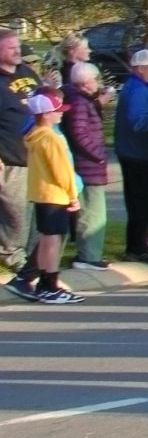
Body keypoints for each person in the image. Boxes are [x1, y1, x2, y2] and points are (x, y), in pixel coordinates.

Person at [3, 94, 83, 303]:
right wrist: (72, 195)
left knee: (47, 239)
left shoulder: (34, 136)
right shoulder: (50, 138)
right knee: (53, 242)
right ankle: (49, 284)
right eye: (57, 111)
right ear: (46, 114)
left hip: (41, 194)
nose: (60, 114)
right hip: (56, 195)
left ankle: (45, 283)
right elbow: (62, 170)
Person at [113, 46, 148, 263]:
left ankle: (138, 246)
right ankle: (137, 248)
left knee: (143, 203)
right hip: (139, 155)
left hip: (136, 153)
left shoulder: (138, 87)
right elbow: (138, 122)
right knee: (144, 203)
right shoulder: (138, 91)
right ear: (141, 68)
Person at [60, 61, 111, 270]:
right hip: (88, 166)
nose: (98, 83)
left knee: (93, 211)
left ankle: (90, 254)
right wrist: (97, 155)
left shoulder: (82, 99)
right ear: (86, 82)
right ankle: (88, 256)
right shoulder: (80, 102)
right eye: (95, 80)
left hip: (89, 165)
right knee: (92, 213)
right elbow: (79, 133)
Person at [0, 29, 32, 274]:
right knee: (15, 211)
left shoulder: (26, 72)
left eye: (18, 46)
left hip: (35, 156)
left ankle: (29, 257)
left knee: (32, 210)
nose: (17, 51)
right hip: (9, 157)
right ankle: (12, 255)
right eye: (11, 47)